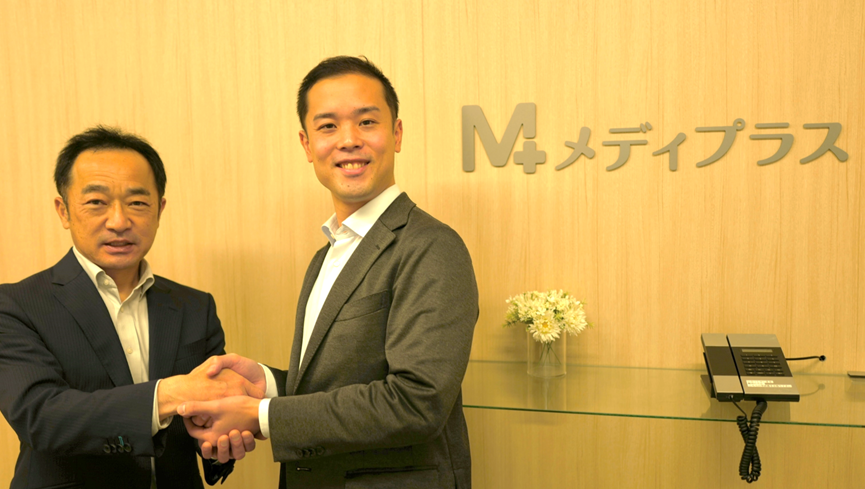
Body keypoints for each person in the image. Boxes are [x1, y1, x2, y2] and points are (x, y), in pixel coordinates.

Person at [179, 56, 479, 488]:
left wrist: (261, 415)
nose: (349, 140)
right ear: (307, 145)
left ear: (396, 134)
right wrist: (268, 385)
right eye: (328, 126)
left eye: (367, 122)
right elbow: (339, 384)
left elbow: (417, 403)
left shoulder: (432, 246)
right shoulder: (326, 255)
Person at [0, 126, 261, 489]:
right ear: (64, 211)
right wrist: (169, 394)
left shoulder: (194, 306)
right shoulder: (16, 305)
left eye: (137, 203)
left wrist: (218, 441)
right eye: (96, 202)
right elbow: (41, 417)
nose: (119, 221)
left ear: (160, 210)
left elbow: (208, 417)